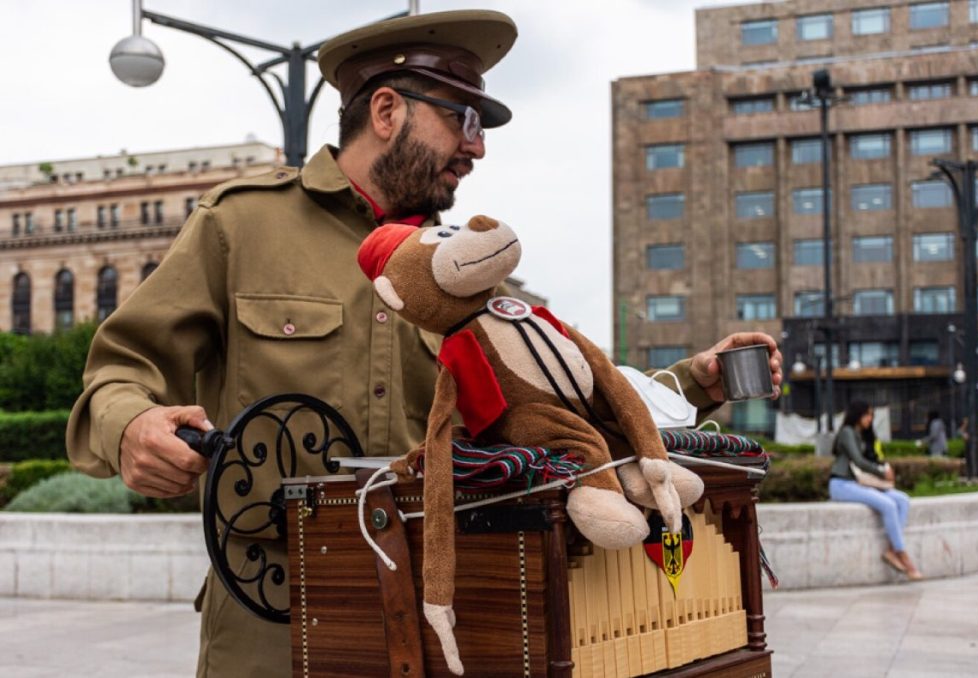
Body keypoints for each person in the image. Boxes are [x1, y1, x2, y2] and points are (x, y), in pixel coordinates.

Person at [64, 9, 785, 677]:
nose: (476, 146)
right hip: (269, 624)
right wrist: (131, 425)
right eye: (464, 118)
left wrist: (697, 380)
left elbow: (570, 391)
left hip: (456, 615)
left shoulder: (469, 273)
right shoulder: (240, 226)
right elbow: (122, 367)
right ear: (386, 111)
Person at [829, 400, 922, 581]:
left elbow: (867, 460)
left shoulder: (860, 434)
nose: (870, 419)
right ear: (857, 414)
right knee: (888, 505)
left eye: (871, 415)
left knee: (902, 500)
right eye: (867, 414)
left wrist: (881, 469)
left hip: (856, 484)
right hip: (841, 485)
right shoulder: (847, 432)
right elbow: (858, 460)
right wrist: (882, 472)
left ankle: (891, 550)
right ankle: (902, 555)